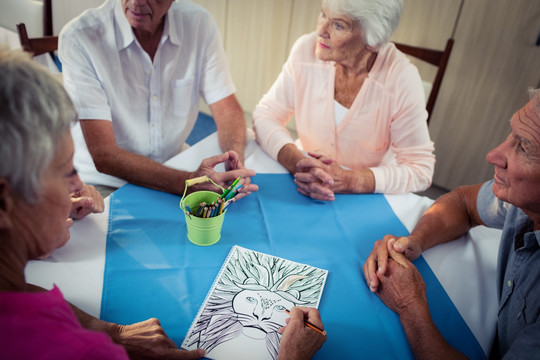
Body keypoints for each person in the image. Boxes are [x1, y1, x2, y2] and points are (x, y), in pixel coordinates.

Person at [0, 48, 324, 360]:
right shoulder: (76, 351)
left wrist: (110, 330)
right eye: (67, 171)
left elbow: (21, 295)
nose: (77, 185)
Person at [362, 89, 540, 359]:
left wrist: (410, 305)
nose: (493, 155)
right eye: (512, 134)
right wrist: (414, 240)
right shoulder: (520, 199)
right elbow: (464, 203)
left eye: (524, 147)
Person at [59, 0, 253, 196]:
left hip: (175, 166)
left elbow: (227, 109)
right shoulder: (79, 37)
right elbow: (104, 155)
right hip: (105, 182)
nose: (136, 2)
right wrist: (188, 183)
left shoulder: (199, 24)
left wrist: (235, 161)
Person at [253, 0, 435, 201]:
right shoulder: (306, 49)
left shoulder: (401, 79)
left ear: (372, 39)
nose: (321, 30)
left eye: (338, 25)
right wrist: (297, 162)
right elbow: (266, 114)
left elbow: (420, 169)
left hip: (363, 194)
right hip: (303, 181)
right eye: (323, 14)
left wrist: (351, 180)